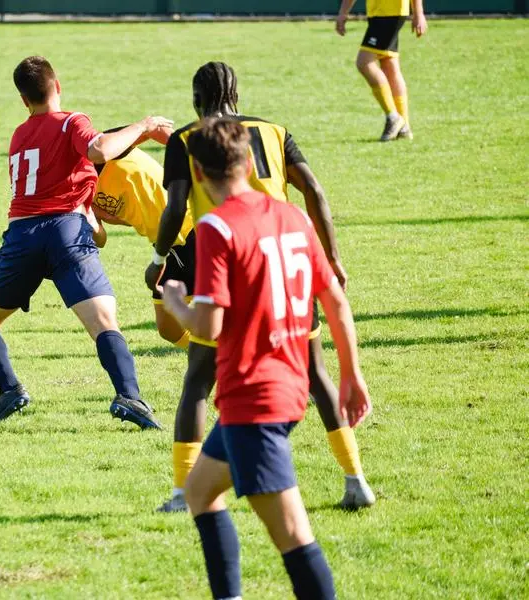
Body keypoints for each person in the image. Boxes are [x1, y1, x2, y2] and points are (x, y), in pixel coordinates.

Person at [147, 62, 374, 513]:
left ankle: (180, 493)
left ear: (196, 99)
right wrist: (330, 255)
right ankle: (355, 479)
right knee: (316, 375)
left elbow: (174, 208)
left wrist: (157, 259)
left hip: (225, 263)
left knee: (197, 380)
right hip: (287, 261)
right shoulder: (274, 131)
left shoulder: (186, 139)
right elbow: (314, 191)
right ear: (238, 92)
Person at [161, 118, 372, 600]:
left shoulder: (216, 227)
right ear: (249, 160)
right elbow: (336, 302)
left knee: (295, 537)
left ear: (196, 169)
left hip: (252, 401)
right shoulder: (292, 217)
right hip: (289, 384)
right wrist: (351, 376)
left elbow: (208, 327)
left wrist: (176, 303)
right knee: (200, 493)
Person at [0, 56, 172, 429]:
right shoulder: (72, 121)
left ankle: (10, 389)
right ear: (57, 86)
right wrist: (145, 125)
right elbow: (100, 151)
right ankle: (130, 397)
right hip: (66, 233)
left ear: (24, 100)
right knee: (105, 323)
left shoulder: (18, 135)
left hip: (22, 236)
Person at [90, 141, 196, 349]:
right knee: (168, 327)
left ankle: (228, 357)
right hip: (167, 244)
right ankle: (218, 357)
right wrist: (88, 215)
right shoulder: (77, 189)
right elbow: (101, 239)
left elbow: (152, 129)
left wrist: (188, 154)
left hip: (191, 225)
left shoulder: (109, 146)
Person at [336, 0, 428, 141]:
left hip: (389, 13)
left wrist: (419, 13)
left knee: (364, 62)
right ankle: (404, 127)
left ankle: (394, 117)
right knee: (390, 66)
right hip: (381, 13)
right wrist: (343, 12)